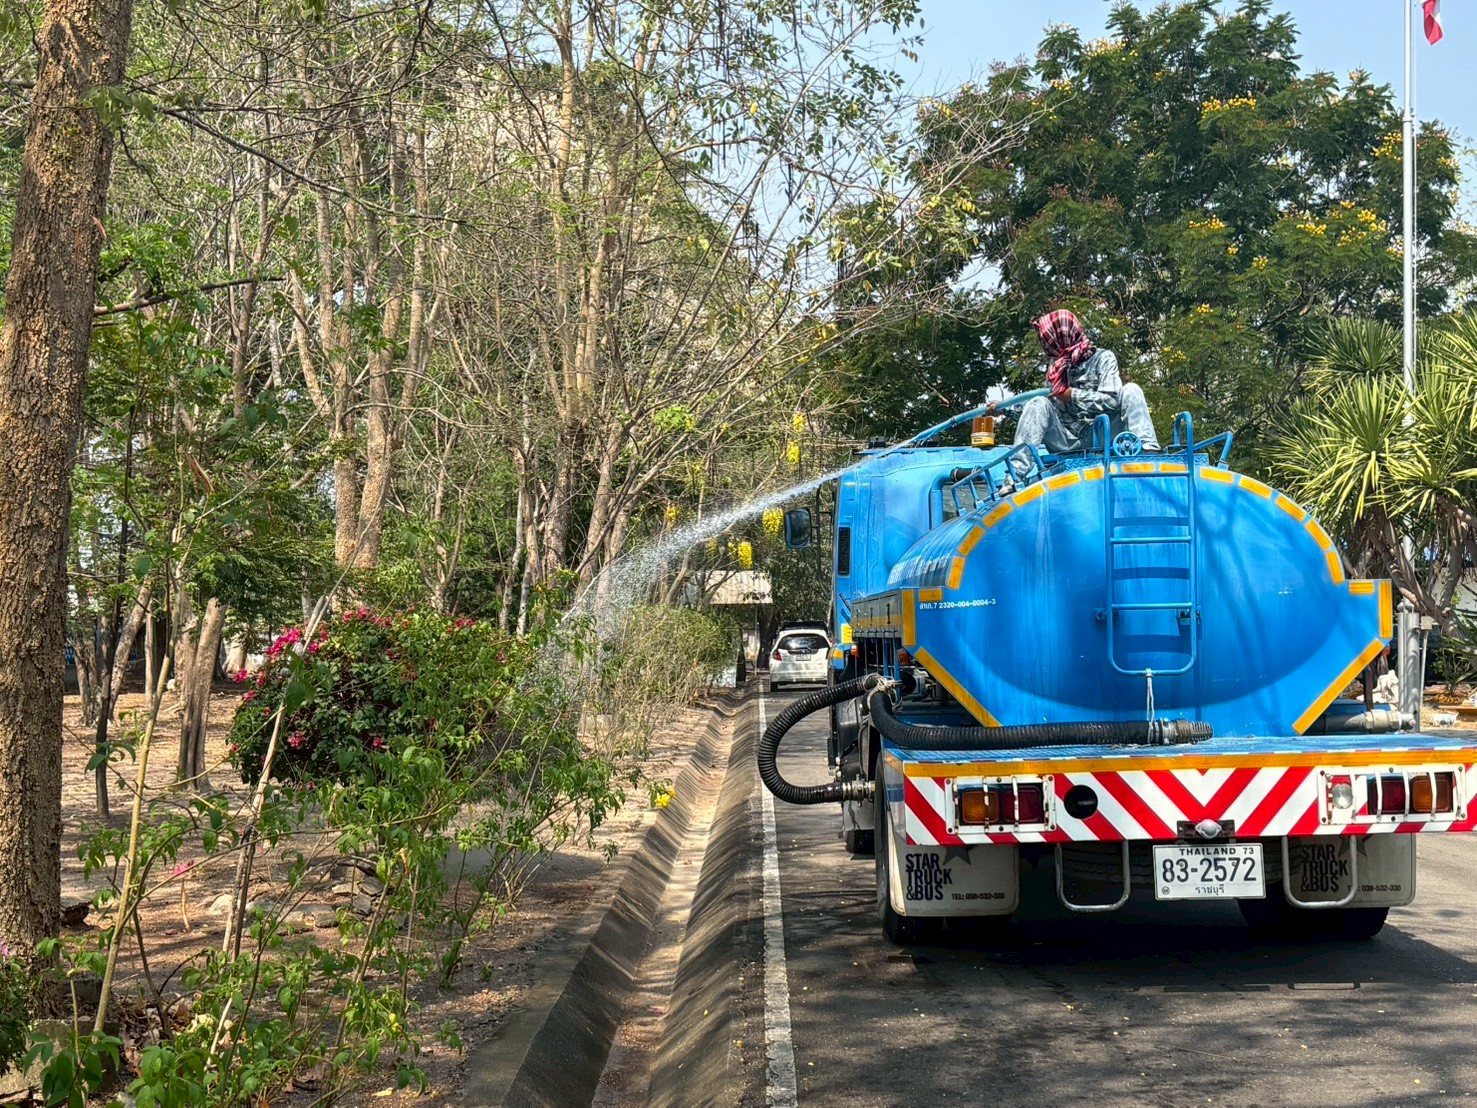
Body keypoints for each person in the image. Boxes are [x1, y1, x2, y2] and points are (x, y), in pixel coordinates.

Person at [994, 310, 1159, 461]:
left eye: (1046, 338)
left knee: (1132, 389)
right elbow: (1041, 413)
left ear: (1061, 336)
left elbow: (1112, 400)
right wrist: (1003, 409)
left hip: (1102, 434)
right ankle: (1017, 471)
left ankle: (1148, 449)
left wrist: (1072, 395)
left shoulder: (1103, 358)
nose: (1044, 344)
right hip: (1068, 441)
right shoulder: (1055, 369)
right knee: (1038, 402)